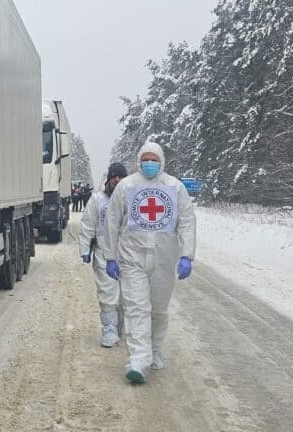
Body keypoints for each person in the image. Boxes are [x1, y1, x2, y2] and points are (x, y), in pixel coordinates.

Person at [102, 142, 196, 384]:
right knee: (136, 307)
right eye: (146, 159)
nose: (150, 163)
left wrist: (187, 254)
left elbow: (186, 221)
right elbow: (112, 221)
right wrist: (110, 256)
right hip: (132, 256)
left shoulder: (174, 187)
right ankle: (137, 359)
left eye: (154, 159)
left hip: (165, 258)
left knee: (158, 308)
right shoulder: (127, 185)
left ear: (162, 160)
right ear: (138, 160)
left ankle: (154, 348)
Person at [79, 163, 128, 348]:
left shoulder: (131, 200)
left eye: (121, 177)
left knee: (126, 295)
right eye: (114, 177)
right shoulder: (97, 200)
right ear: (108, 179)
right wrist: (85, 248)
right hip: (103, 254)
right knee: (107, 294)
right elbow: (87, 225)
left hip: (129, 254)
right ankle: (109, 329)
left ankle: (120, 328)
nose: (117, 180)